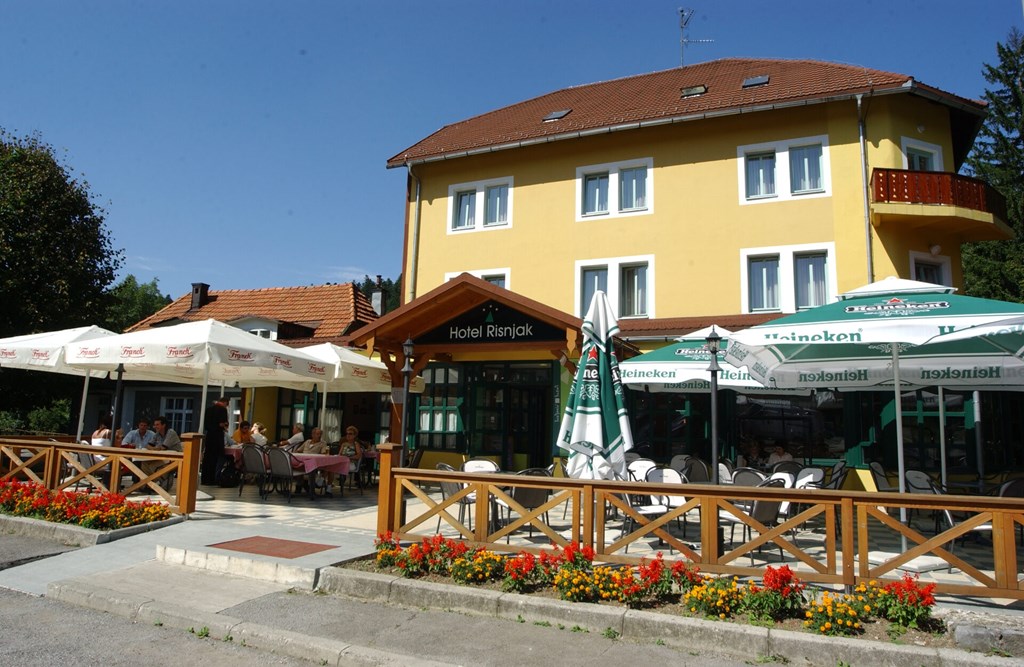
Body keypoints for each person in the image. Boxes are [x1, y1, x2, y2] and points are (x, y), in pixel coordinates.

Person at [141, 416, 182, 480]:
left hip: (175, 459)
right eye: (154, 425)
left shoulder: (171, 433)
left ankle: (159, 483)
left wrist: (154, 448)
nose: (155, 427)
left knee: (153, 465)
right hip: (163, 457)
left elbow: (163, 448)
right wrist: (154, 448)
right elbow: (147, 446)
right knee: (144, 464)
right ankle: (149, 483)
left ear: (164, 425)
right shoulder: (157, 434)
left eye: (157, 425)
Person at [201, 396, 230, 485]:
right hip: (217, 436)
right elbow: (222, 424)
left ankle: (205, 479)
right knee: (217, 458)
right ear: (225, 403)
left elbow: (206, 424)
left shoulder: (209, 409)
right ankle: (214, 478)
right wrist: (225, 425)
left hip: (209, 436)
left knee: (208, 457)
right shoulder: (222, 410)